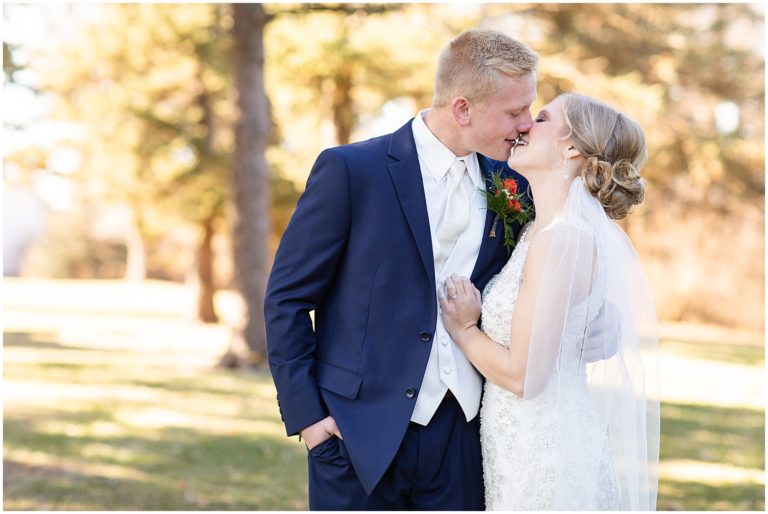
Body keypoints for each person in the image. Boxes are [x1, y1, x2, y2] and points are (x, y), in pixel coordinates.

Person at [264, 29, 537, 510]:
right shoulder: (352, 171)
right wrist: (310, 421)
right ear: (462, 108)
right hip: (355, 434)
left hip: (464, 436)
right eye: (514, 111)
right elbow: (287, 299)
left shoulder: (513, 184)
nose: (526, 125)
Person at [439, 92, 660, 510]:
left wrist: (464, 329)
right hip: (516, 444)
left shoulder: (562, 240)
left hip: (544, 453)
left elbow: (524, 377)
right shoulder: (538, 230)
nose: (524, 126)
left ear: (572, 147)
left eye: (540, 119)